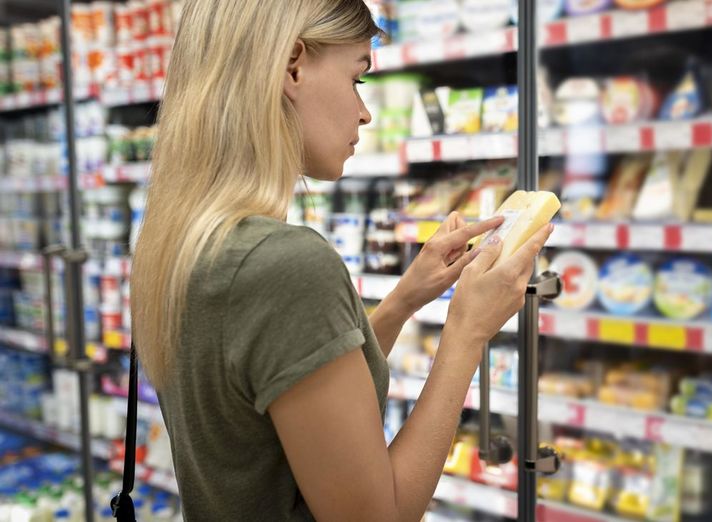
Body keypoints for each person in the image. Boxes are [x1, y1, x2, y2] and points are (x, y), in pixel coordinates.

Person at [129, 1, 552, 520]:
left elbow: (291, 393)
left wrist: (403, 301)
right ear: (292, 66)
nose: (364, 112)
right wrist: (468, 331)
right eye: (357, 79)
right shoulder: (284, 264)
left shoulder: (185, 242)